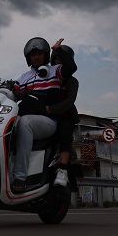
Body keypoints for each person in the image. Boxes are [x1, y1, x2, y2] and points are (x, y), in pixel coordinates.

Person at [10, 37, 64, 193]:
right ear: (28, 57)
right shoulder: (24, 77)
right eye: (32, 54)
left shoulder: (55, 71)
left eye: (39, 53)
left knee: (24, 122)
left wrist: (58, 50)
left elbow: (71, 68)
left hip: (48, 122)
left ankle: (20, 176)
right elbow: (12, 94)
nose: (35, 57)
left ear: (46, 55)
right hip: (26, 119)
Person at [46, 44, 79, 187]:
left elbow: (69, 102)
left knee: (65, 129)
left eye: (62, 59)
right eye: (56, 59)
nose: (58, 61)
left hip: (64, 115)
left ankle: (63, 169)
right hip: (46, 115)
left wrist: (50, 110)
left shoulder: (72, 81)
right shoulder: (47, 76)